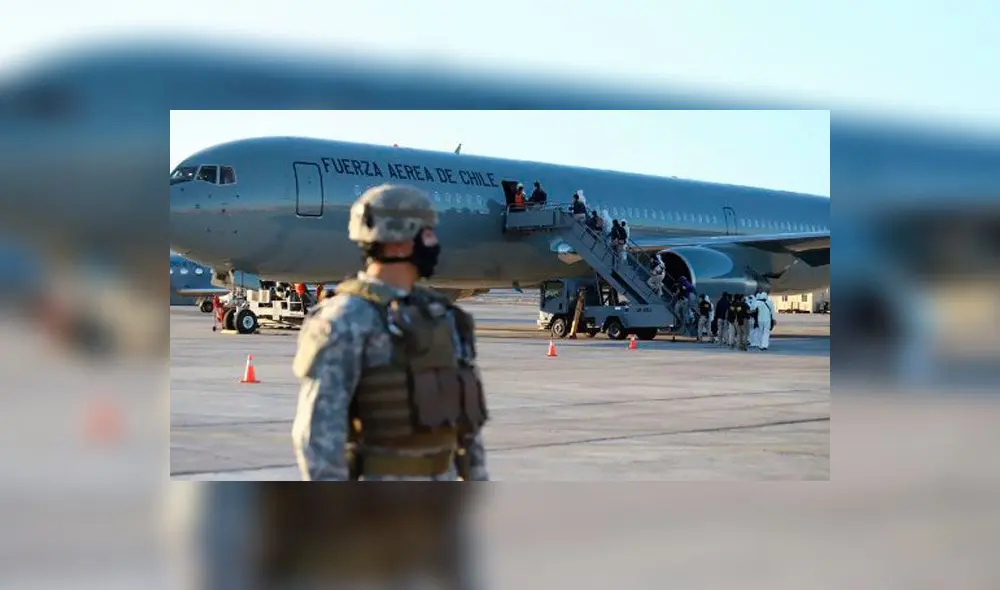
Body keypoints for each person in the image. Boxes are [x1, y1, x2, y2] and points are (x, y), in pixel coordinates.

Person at [291, 183, 490, 481]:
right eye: (427, 233)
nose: (434, 242)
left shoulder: (442, 315)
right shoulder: (345, 320)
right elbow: (318, 433)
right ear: (398, 242)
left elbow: (467, 431)